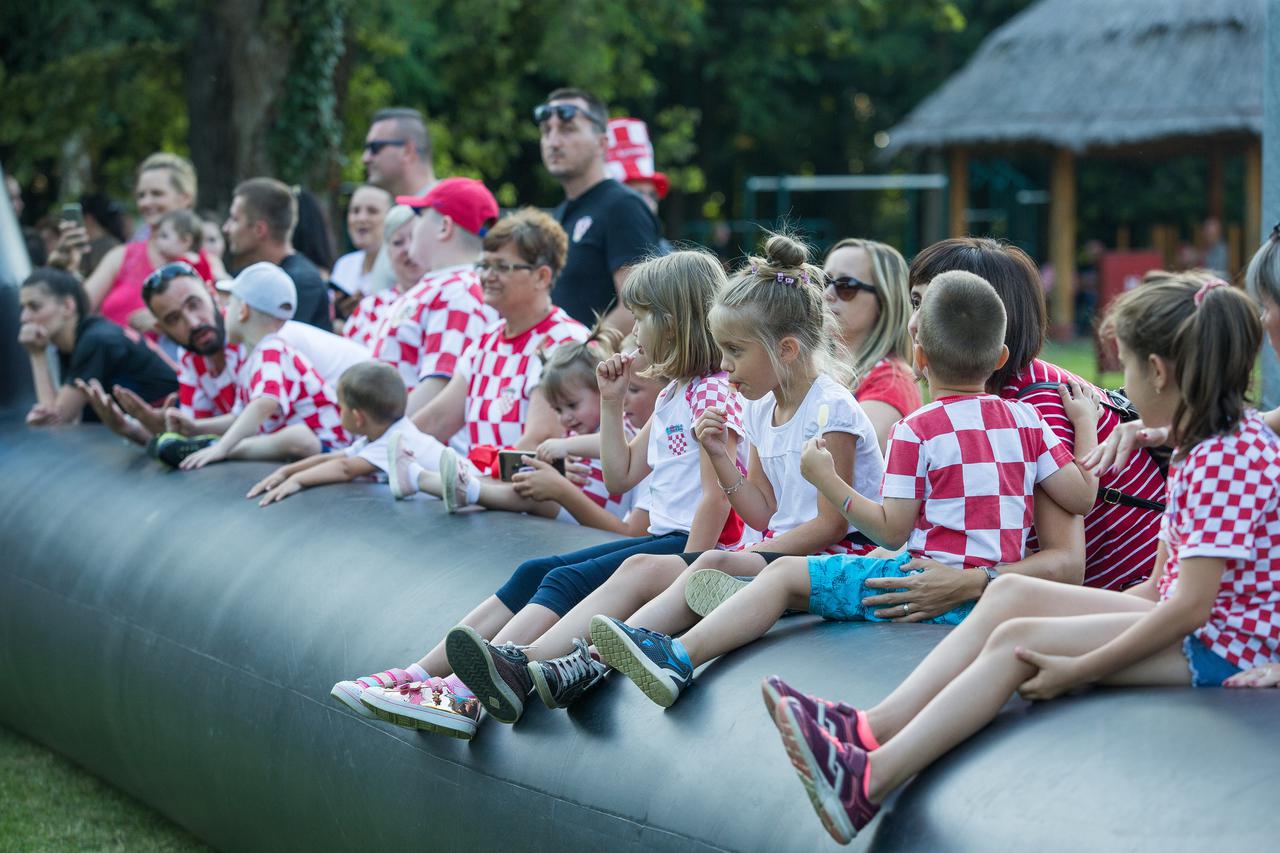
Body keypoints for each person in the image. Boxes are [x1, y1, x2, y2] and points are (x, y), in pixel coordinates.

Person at [764, 274, 1278, 843]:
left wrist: (1082, 667)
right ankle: (866, 726)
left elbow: (1186, 607)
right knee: (1007, 592)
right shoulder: (1210, 443)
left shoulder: (1218, 463)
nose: (1123, 385)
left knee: (1019, 645)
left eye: (1127, 367)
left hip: (1222, 647)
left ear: (1158, 372)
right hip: (1192, 618)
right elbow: (1157, 588)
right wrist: (1142, 433)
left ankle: (871, 780)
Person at [591, 271, 1098, 707]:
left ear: (918, 356)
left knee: (785, 576)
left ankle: (679, 656)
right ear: (1001, 354)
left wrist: (828, 481)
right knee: (774, 571)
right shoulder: (1028, 420)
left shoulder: (916, 430)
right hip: (990, 600)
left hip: (911, 586)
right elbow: (1081, 498)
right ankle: (715, 613)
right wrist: (1086, 424)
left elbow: (893, 533)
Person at [343, 249, 741, 738]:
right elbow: (623, 474)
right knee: (537, 570)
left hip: (692, 546)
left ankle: (464, 692)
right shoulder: (673, 394)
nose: (634, 333)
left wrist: (692, 568)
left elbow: (716, 498)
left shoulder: (716, 393)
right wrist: (612, 403)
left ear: (674, 325)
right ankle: (422, 674)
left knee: (569, 579)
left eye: (641, 320)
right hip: (669, 536)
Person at [858, 238, 1166, 626]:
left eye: (928, 304)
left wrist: (968, 582)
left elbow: (1068, 565)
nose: (913, 324)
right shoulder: (979, 400)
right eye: (915, 303)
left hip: (1121, 602)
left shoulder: (1037, 408)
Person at [78, 264, 369, 461]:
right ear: (160, 328)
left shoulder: (269, 343)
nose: (193, 323)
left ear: (214, 295)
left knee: (292, 437)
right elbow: (210, 427)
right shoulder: (196, 357)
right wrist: (171, 428)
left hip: (355, 429)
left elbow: (261, 408)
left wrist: (220, 448)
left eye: (195, 304)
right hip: (325, 436)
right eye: (173, 319)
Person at [393, 328, 638, 528]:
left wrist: (563, 446)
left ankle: (466, 489)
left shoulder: (618, 425)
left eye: (572, 405)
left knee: (531, 495)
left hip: (593, 512)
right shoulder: (577, 433)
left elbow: (618, 443)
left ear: (601, 390)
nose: (566, 418)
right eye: (558, 410)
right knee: (517, 481)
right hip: (572, 504)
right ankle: (419, 477)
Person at [408, 207, 588, 464]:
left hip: (538, 499)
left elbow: (537, 443)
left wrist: (471, 484)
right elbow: (437, 420)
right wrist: (378, 452)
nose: (487, 277)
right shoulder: (485, 341)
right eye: (484, 265)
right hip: (490, 492)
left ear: (541, 276)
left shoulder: (564, 342)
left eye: (501, 267)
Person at [178, 263, 349, 469]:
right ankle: (209, 443)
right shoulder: (253, 359)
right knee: (286, 435)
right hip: (313, 447)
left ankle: (221, 448)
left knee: (296, 437)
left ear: (242, 310)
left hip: (329, 444)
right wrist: (196, 427)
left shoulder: (272, 349)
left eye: (230, 304)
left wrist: (222, 447)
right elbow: (239, 417)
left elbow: (265, 402)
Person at [50, 153, 225, 334]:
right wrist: (65, 271)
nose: (146, 202)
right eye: (141, 195)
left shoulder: (206, 263)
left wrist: (166, 321)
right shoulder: (120, 256)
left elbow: (225, 322)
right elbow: (74, 312)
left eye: (157, 194)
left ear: (185, 198)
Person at [537, 88, 661, 330]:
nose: (553, 141)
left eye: (568, 129)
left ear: (602, 143)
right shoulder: (560, 213)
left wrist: (581, 353)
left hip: (596, 366)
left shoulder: (623, 206)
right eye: (546, 131)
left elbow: (638, 306)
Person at [370, 178, 496, 417]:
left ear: (444, 227)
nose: (413, 227)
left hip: (418, 448)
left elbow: (440, 386)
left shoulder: (457, 292)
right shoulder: (447, 288)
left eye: (419, 216)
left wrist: (383, 434)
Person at [245, 361, 444, 505]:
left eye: (341, 407)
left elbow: (345, 468)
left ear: (358, 417)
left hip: (459, 484)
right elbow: (336, 457)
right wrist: (286, 472)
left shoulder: (395, 441)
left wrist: (298, 480)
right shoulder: (382, 434)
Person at [17, 267, 176, 426]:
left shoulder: (96, 340)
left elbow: (55, 420)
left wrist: (37, 354)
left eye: (34, 307)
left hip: (175, 420)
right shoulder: (77, 340)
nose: (24, 318)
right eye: (22, 308)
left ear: (67, 306)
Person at [823, 238, 920, 450]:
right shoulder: (826, 371)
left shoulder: (890, 383)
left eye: (846, 286)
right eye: (825, 281)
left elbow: (843, 467)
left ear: (884, 301)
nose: (828, 294)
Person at [223, 177, 330, 330]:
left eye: (234, 219)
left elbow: (268, 340)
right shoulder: (253, 275)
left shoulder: (301, 283)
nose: (226, 228)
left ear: (259, 230)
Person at [342, 204, 421, 349]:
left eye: (415, 239)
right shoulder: (370, 308)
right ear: (388, 253)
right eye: (398, 242)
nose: (408, 249)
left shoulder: (444, 300)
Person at [330, 184, 392, 300]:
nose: (361, 218)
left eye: (372, 211)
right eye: (355, 211)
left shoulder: (400, 269)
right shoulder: (344, 264)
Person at [362, 107, 436, 199]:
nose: (365, 159)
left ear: (407, 151)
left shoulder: (451, 209)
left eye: (374, 147)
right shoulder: (400, 212)